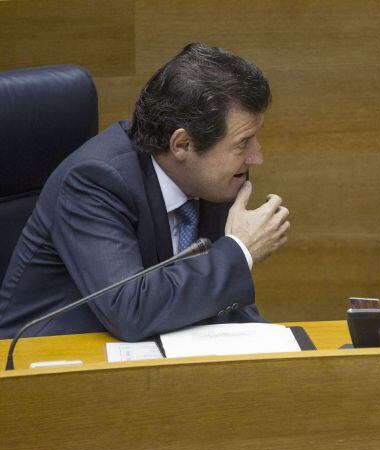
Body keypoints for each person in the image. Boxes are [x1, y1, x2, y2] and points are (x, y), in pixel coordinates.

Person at [0, 43, 290, 340]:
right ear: (182, 145)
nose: (257, 156)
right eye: (244, 142)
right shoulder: (95, 181)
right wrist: (241, 250)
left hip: (148, 354)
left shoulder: (214, 179)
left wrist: (279, 348)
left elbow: (210, 293)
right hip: (47, 362)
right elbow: (130, 310)